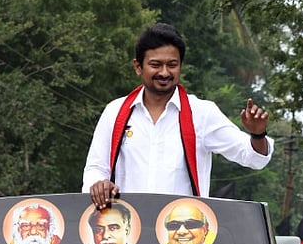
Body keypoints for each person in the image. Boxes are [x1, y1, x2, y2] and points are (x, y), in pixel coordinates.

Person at [82, 23, 272, 208]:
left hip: (182, 233)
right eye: (155, 65)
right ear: (138, 67)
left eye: (172, 65)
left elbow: (253, 157)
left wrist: (257, 134)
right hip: (127, 231)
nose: (164, 73)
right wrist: (99, 184)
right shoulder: (114, 112)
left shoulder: (202, 113)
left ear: (180, 66)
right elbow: (96, 168)